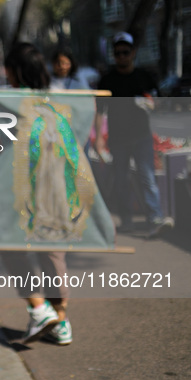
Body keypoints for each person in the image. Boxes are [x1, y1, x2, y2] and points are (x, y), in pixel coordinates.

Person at [0, 42, 72, 345]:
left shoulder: (8, 102)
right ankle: (59, 318)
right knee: (52, 252)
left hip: (22, 186)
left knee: (9, 246)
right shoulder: (59, 97)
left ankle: (41, 308)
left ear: (15, 70)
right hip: (54, 184)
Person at [95, 32, 174, 237]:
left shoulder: (144, 77)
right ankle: (127, 220)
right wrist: (99, 139)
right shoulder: (107, 80)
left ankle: (155, 218)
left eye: (126, 52)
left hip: (142, 136)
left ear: (133, 53)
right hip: (118, 139)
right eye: (118, 52)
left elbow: (158, 104)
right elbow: (99, 111)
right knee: (121, 180)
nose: (122, 56)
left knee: (147, 177)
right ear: (114, 55)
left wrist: (151, 104)